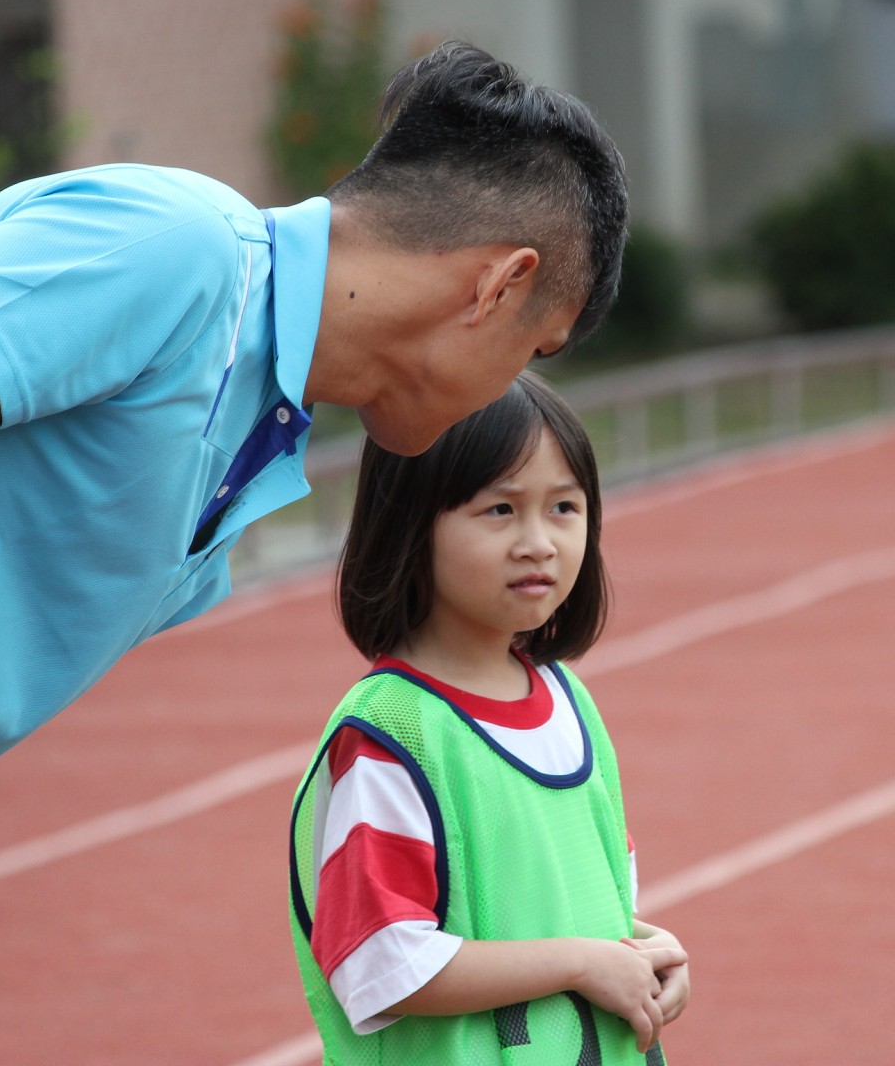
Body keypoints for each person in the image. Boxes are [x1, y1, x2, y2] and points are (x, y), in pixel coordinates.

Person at [0, 42, 627, 1063]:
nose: (512, 389)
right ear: (499, 285)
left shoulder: (250, 462)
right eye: (534, 349)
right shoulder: (180, 249)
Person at [288, 373, 690, 1063]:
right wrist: (581, 963)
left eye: (564, 507)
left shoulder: (569, 700)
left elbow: (583, 912)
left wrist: (645, 950)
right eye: (500, 509)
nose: (538, 542)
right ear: (410, 524)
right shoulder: (393, 734)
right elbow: (379, 957)